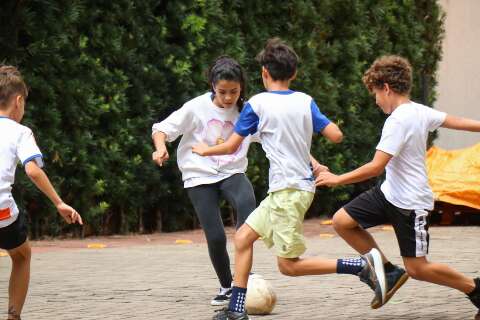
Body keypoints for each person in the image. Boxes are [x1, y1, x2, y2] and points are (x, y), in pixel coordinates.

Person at [192, 38, 387, 320]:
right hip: (290, 190)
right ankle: (236, 311)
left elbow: (232, 146)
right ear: (294, 74)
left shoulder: (257, 104)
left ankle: (360, 266)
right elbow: (336, 135)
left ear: (264, 73)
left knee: (289, 266)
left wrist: (205, 149)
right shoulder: (305, 101)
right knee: (243, 238)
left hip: (288, 192)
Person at [316, 55, 480, 316]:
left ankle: (474, 289)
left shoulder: (398, 121)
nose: (376, 101)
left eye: (375, 94)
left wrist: (337, 178)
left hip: (411, 204)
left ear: (386, 88)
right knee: (342, 221)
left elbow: (375, 166)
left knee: (418, 269)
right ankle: (388, 272)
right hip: (389, 193)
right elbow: (458, 121)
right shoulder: (419, 110)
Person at [151, 56, 261, 306]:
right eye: (222, 92)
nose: (228, 98)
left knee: (247, 203)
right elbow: (162, 129)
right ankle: (226, 286)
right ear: (213, 85)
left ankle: (244, 276)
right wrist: (160, 148)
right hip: (199, 173)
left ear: (241, 87)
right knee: (216, 236)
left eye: (234, 92)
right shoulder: (196, 107)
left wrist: (309, 160)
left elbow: (274, 137)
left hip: (231, 171)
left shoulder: (246, 112)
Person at [0, 65, 83, 320]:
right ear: (18, 101)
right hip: (1, 211)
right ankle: (13, 316)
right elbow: (33, 171)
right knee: (22, 255)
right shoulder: (20, 132)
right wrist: (59, 202)